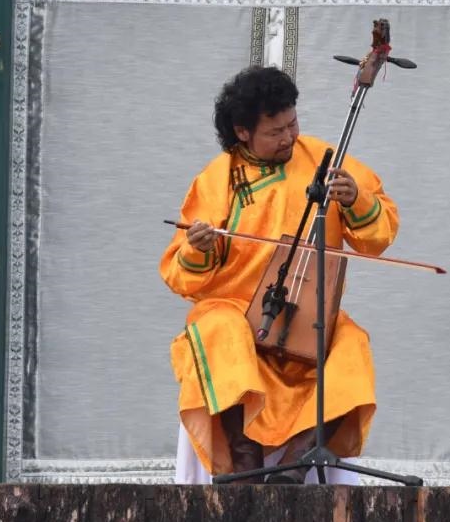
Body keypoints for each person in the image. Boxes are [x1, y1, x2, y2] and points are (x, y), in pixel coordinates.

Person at [160, 65, 399, 484]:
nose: (289, 137)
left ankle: (298, 464)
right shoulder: (217, 180)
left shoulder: (325, 160)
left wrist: (356, 200)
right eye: (275, 132)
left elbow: (377, 237)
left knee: (351, 342)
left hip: (306, 312)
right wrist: (198, 248)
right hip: (236, 311)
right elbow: (183, 278)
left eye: (292, 124)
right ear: (243, 132)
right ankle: (245, 471)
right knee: (218, 329)